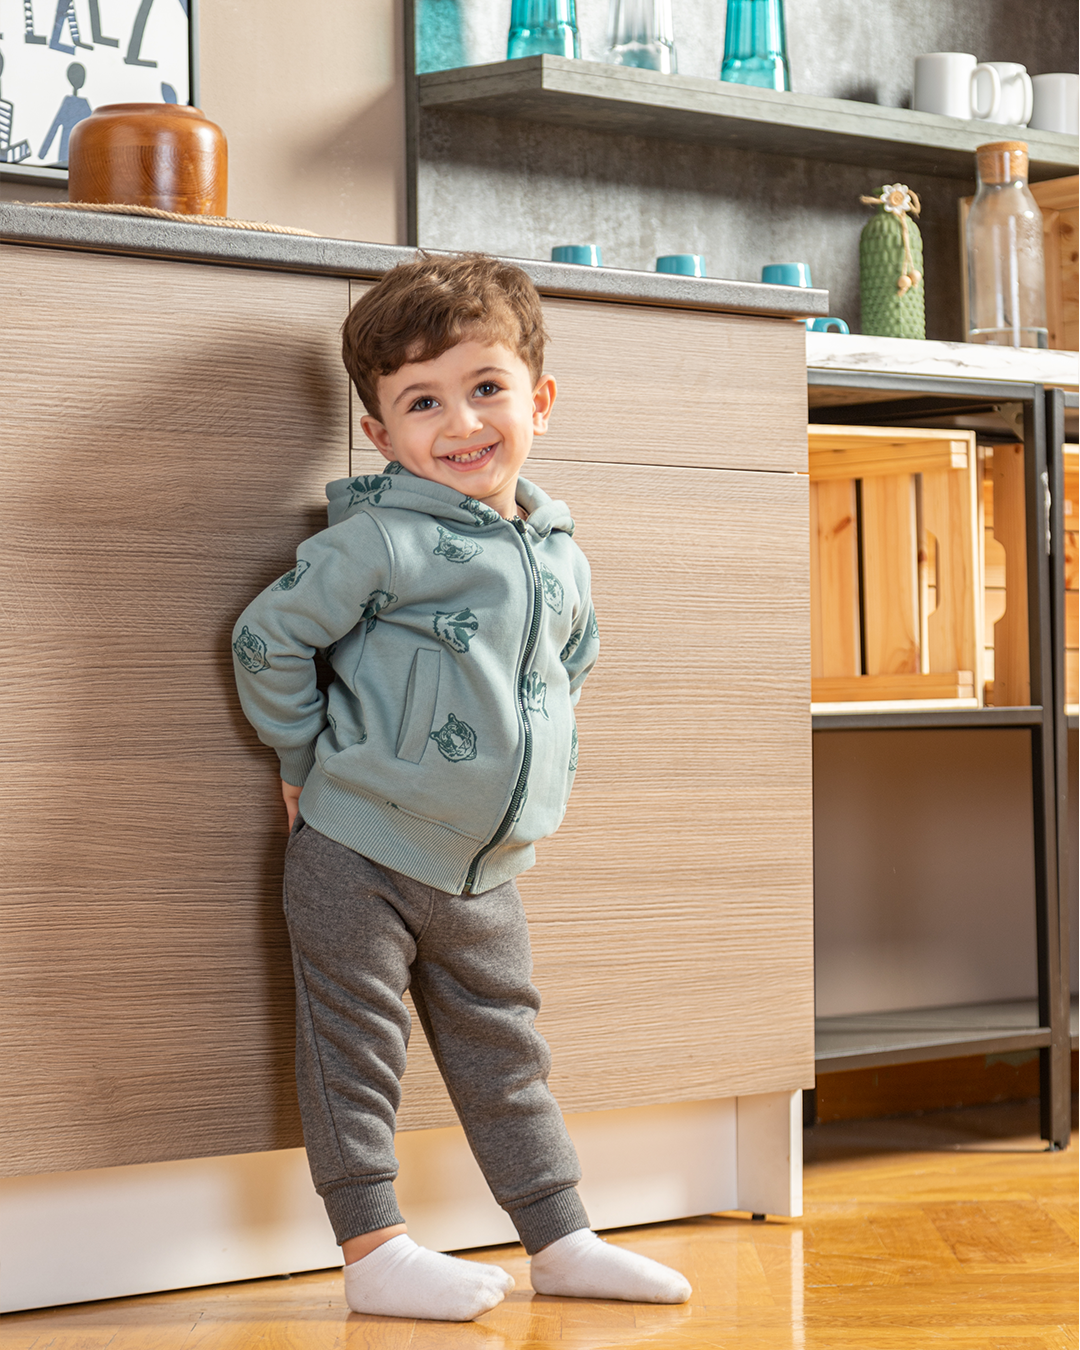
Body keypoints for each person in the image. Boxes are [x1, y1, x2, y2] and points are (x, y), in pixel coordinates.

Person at [231, 253, 692, 1322]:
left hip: (486, 869)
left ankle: (562, 1236)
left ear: (539, 399)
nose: (461, 422)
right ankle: (374, 1249)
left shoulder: (558, 553)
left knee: (508, 1053)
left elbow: (568, 667)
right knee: (355, 1052)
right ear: (381, 434)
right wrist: (302, 764)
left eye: (486, 388)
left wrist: (534, 785)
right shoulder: (382, 540)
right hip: (360, 847)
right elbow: (268, 639)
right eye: (421, 402)